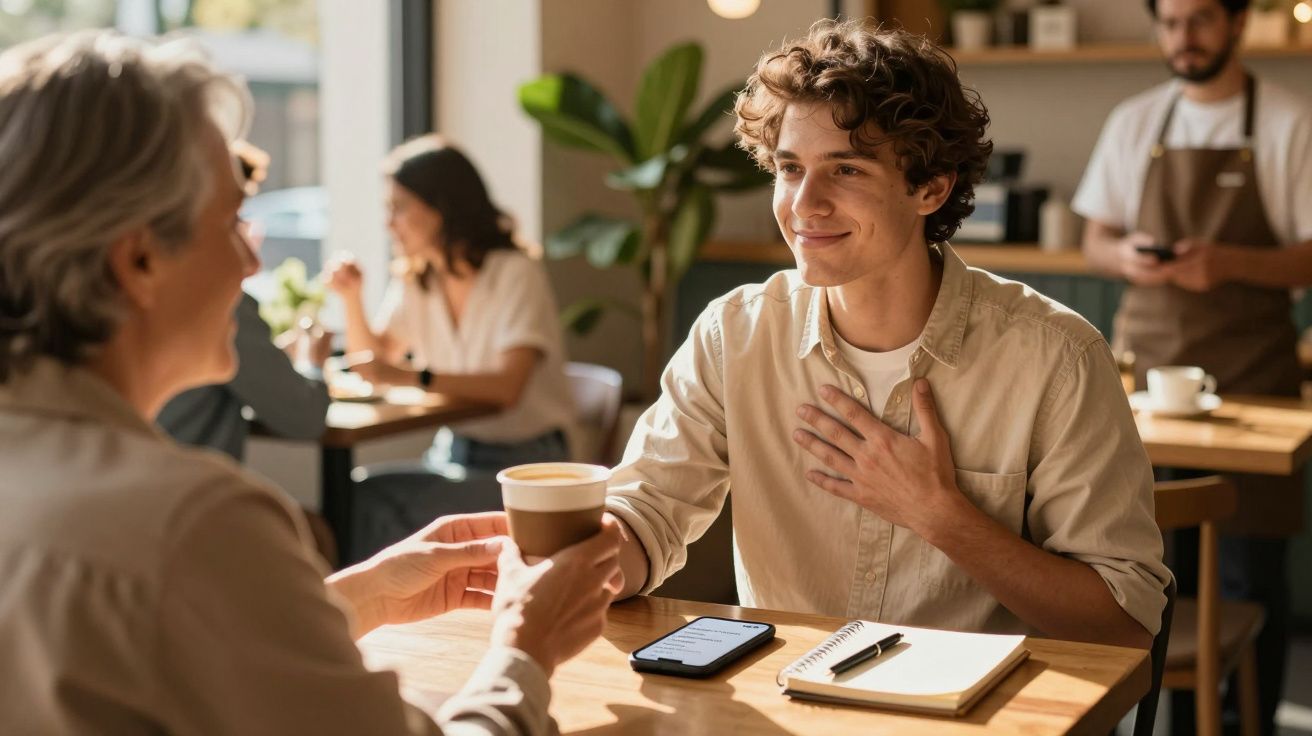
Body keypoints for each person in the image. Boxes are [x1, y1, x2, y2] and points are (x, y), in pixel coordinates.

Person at [0, 31, 621, 735]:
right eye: (234, 221)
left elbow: (181, 645)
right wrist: (524, 651)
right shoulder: (194, 524)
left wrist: (363, 597)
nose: (248, 264)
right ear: (140, 260)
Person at [601, 20, 1171, 649]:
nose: (804, 204)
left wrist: (941, 515)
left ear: (931, 187)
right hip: (786, 706)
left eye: (845, 170)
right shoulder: (733, 336)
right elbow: (645, 515)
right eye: (790, 168)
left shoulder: (1057, 358)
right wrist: (569, 553)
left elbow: (1125, 624)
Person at [1074, 0, 1312, 731]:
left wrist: (1227, 263)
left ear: (1238, 23)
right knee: (1142, 576)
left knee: (1248, 577)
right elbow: (1094, 241)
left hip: (1255, 383)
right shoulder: (1136, 121)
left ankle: (1250, 723)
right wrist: (1129, 257)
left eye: (1201, 20)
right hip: (1141, 385)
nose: (1184, 38)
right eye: (1170, 22)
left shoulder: (1288, 121)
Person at [325, 136, 576, 558]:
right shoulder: (419, 279)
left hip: (527, 467)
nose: (389, 223)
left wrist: (411, 376)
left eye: (399, 208)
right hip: (452, 451)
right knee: (356, 498)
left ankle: (367, 620)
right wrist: (351, 298)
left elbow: (506, 389)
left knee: (363, 503)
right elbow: (375, 359)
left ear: (442, 207)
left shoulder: (514, 273)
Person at [157, 142, 332, 462]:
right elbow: (304, 417)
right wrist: (312, 362)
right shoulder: (218, 302)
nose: (252, 263)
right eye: (230, 223)